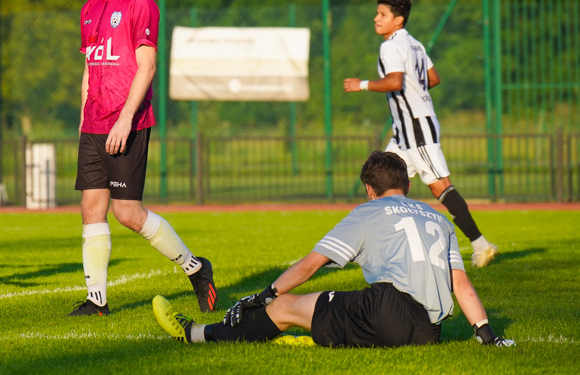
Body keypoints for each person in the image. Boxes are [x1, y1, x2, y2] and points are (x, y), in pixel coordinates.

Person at [153, 151, 514, 348]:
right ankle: (311, 335)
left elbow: (310, 265)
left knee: (283, 306)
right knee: (327, 306)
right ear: (406, 183)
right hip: (428, 332)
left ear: (369, 189)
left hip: (386, 313)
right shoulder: (439, 219)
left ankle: (197, 334)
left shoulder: (367, 211)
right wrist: (487, 334)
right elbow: (462, 285)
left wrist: (263, 295)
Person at [71, 0, 216, 316]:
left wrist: (124, 120)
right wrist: (85, 116)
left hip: (127, 123)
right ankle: (96, 301)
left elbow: (147, 66)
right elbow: (90, 65)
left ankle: (196, 268)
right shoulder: (88, 8)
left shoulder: (139, 4)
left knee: (128, 213)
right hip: (94, 125)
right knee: (91, 208)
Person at [342, 0, 498, 267]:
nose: (376, 18)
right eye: (377, 13)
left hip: (415, 126)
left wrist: (361, 84)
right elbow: (433, 78)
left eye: (382, 15)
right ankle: (378, 249)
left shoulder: (390, 46)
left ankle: (481, 245)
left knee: (441, 187)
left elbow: (394, 83)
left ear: (398, 20)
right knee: (379, 180)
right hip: (406, 129)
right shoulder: (414, 44)